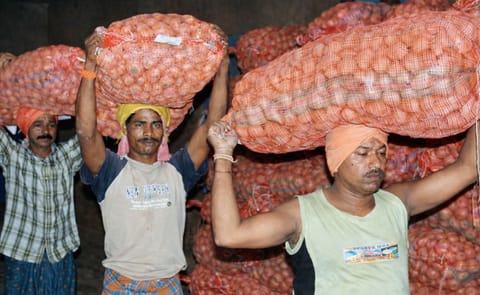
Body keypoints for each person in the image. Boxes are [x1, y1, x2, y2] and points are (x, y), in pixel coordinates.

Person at [207, 121, 479, 294]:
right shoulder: (302, 215)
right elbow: (230, 235)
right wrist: (222, 155)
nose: (375, 162)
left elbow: (467, 168)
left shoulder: (397, 203)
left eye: (381, 152)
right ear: (334, 162)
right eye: (362, 153)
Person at [75, 30, 228, 294]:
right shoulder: (111, 170)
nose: (148, 132)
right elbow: (87, 133)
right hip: (120, 285)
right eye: (140, 124)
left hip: (166, 285)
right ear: (125, 130)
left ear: (165, 132)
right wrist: (90, 67)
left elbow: (212, 126)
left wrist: (222, 70)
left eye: (156, 124)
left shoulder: (178, 171)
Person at [0, 107, 82, 294]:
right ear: (25, 129)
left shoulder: (65, 156)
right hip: (22, 252)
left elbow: (89, 132)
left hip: (59, 252)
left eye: (51, 125)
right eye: (37, 125)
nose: (46, 130)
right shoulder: (13, 156)